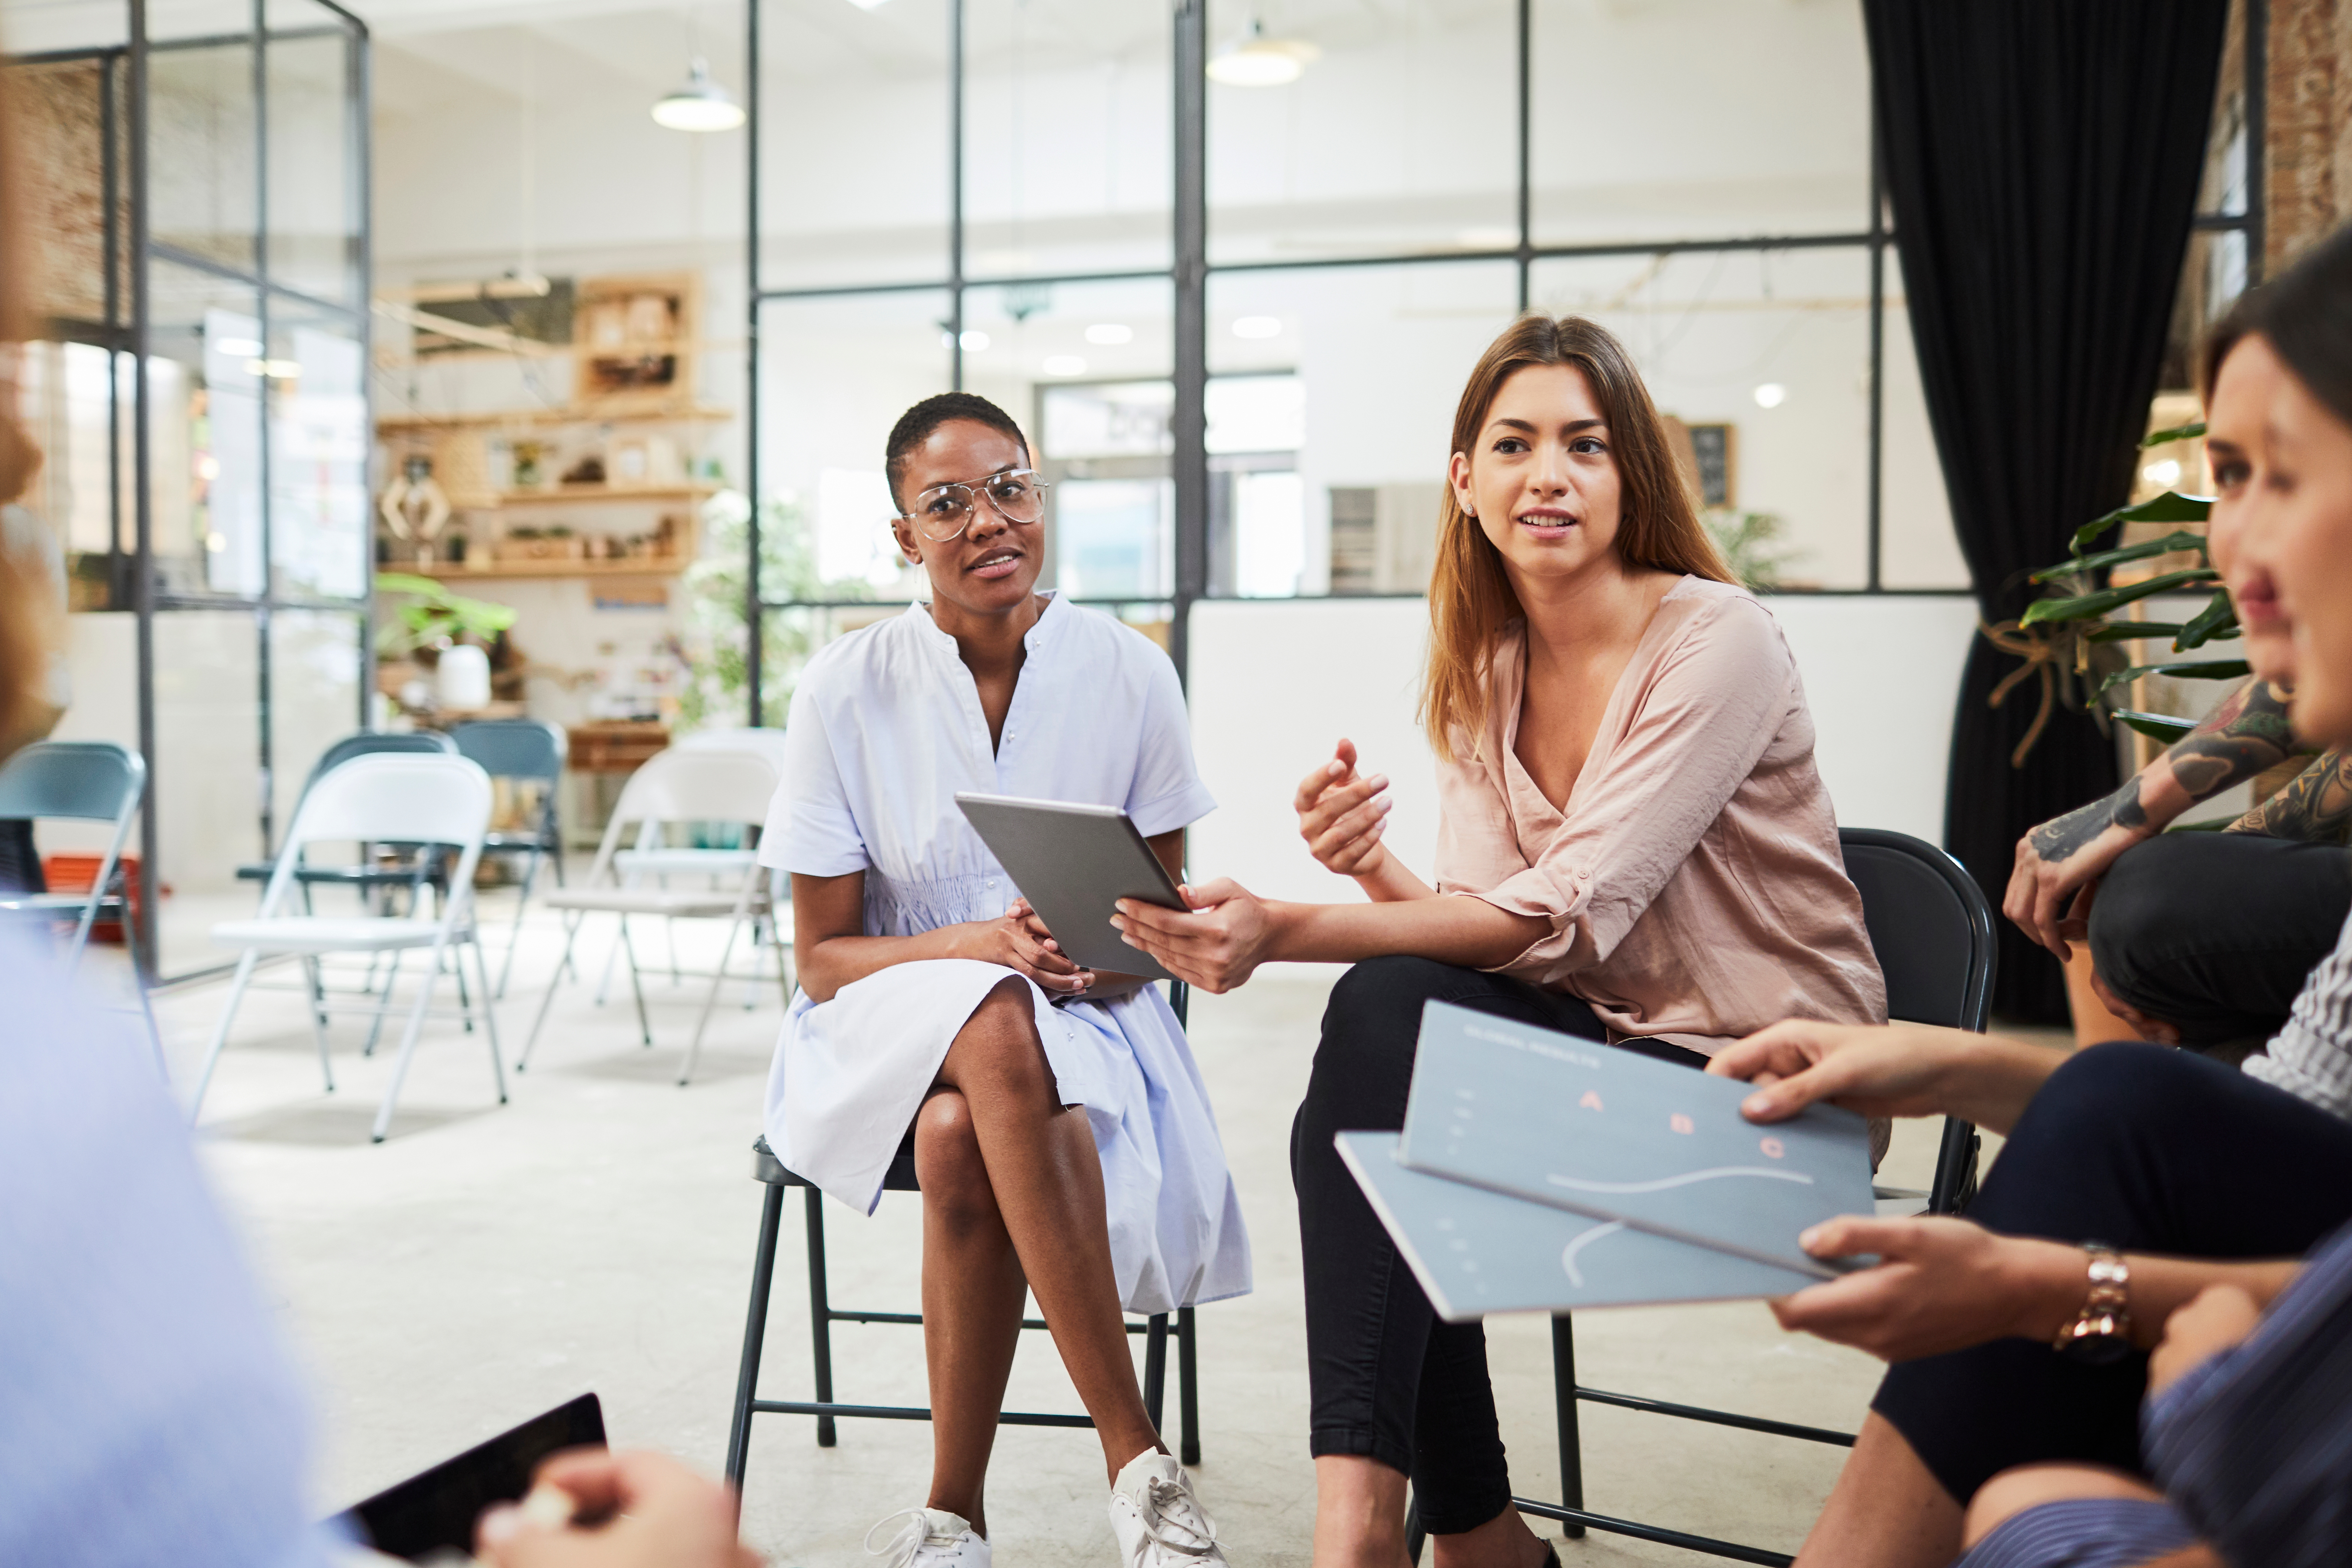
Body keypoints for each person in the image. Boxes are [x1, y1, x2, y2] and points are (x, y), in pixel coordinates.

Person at [1111, 316, 1886, 1568]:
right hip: (1606, 1058)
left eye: (1585, 445)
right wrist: (1370, 873)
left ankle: (1442, 1534)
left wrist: (1293, 927)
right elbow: (1487, 948)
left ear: (1628, 473)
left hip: (1773, 1102)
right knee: (1389, 1027)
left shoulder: (1718, 639)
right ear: (1463, 481)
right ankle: (1412, 1531)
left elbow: (1569, 909)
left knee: (1378, 1063)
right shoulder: (1485, 662)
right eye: (1514, 445)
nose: (1550, 475)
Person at [1705, 222, 2352, 1568]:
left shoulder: (1712, 641)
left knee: (2118, 1101)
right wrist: (1940, 1067)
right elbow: (2271, 1122)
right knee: (2116, 1120)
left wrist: (2055, 1288)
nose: (2233, 538)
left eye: (2274, 476)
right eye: (2220, 476)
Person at [759, 392, 1249, 1568]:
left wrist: (1098, 960)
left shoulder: (1129, 673)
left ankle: (952, 1515)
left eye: (1011, 488)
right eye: (946, 502)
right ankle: (1134, 1459)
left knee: (954, 1137)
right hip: (876, 1020)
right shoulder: (844, 687)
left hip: (1083, 1017)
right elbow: (824, 961)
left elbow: (1152, 934)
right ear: (900, 536)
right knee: (986, 1013)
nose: (989, 520)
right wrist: (975, 944)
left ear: (1040, 498)